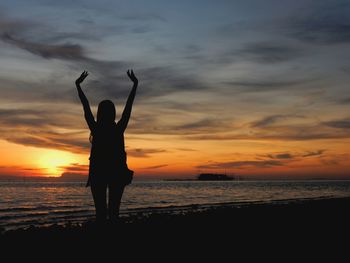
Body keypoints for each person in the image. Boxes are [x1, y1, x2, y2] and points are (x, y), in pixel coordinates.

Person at [75, 69, 138, 223]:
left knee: (101, 213)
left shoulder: (96, 129)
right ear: (113, 113)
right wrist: (135, 84)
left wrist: (78, 86)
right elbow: (128, 109)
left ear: (100, 113)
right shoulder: (118, 129)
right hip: (116, 172)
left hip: (99, 172)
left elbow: (86, 107)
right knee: (114, 211)